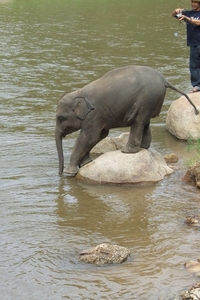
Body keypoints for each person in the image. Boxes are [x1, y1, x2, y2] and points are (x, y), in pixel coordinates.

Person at [172, 1, 200, 92]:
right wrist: (176, 11)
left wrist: (187, 19)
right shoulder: (189, 13)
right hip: (194, 44)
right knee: (194, 66)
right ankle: (196, 86)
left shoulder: (189, 16)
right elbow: (174, 15)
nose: (193, 4)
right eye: (192, 2)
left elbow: (198, 22)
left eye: (195, 2)